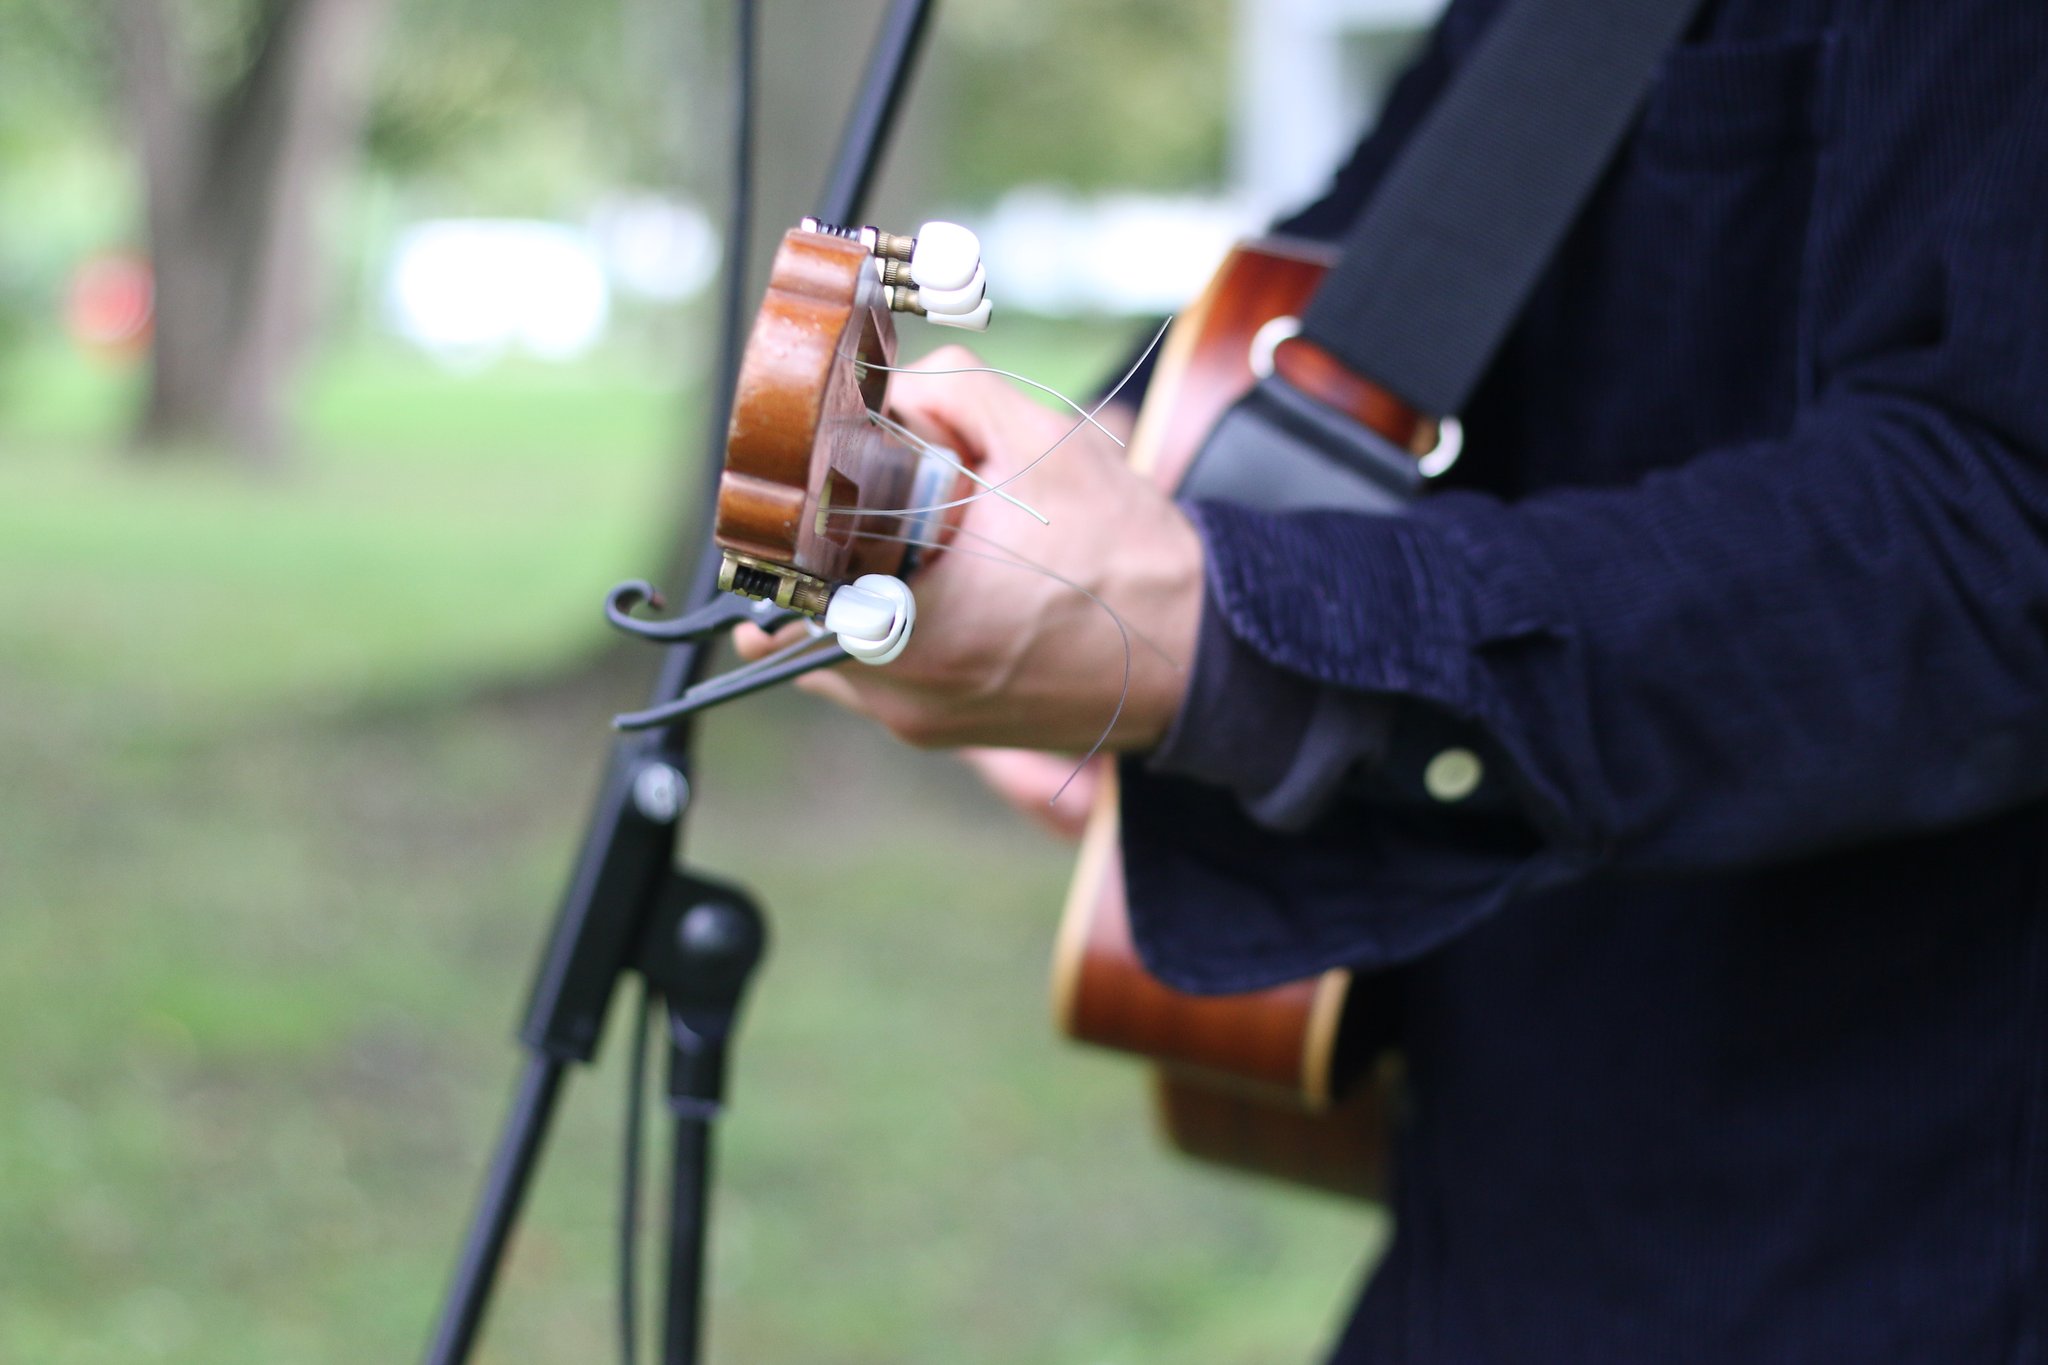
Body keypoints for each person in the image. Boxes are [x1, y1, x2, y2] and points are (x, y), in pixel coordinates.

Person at [742, 0, 2048, 1358]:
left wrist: (1220, 632)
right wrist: (1083, 465)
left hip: (1903, 1227)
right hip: (1497, 1187)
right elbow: (1364, 272)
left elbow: (2002, 524)